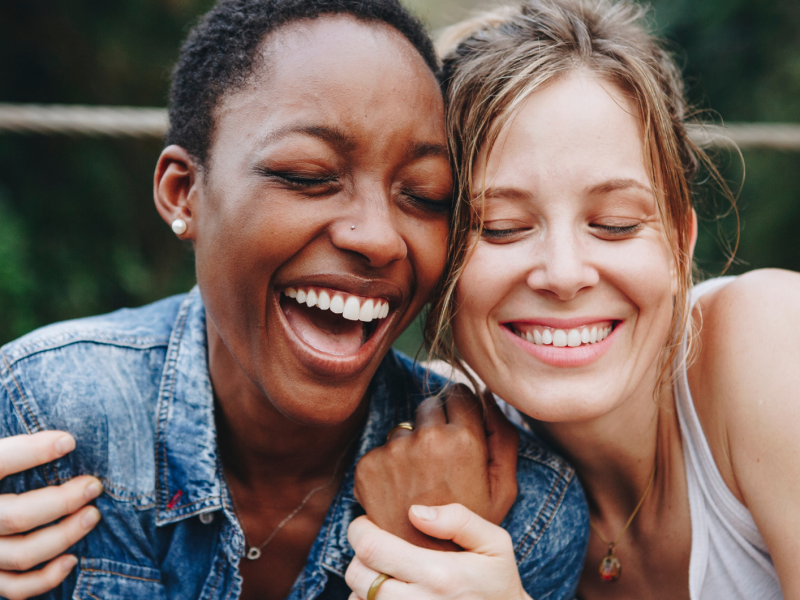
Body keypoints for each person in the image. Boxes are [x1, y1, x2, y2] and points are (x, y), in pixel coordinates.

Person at [0, 1, 589, 599]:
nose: (379, 237)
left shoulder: (521, 518)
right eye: (307, 176)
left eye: (424, 194)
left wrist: (429, 562)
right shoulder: (41, 420)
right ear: (184, 194)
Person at [345, 1, 800, 599]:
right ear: (440, 261)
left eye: (614, 224)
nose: (563, 274)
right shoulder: (448, 443)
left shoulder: (773, 341)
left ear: (681, 246)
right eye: (503, 227)